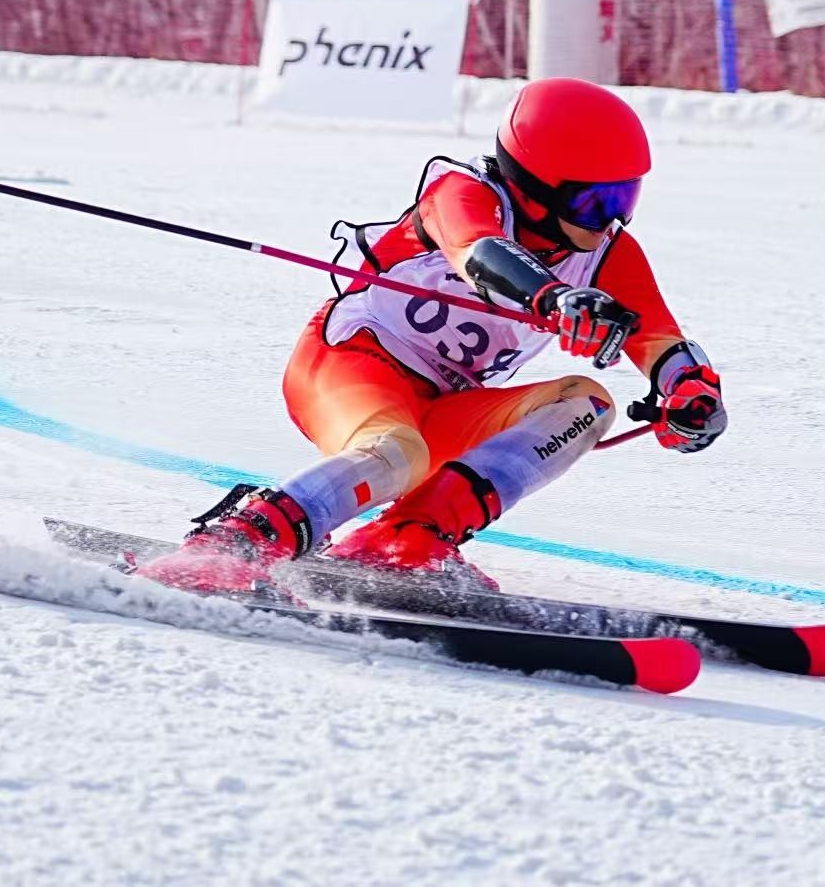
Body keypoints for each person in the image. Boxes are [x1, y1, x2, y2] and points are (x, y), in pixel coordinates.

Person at [138, 77, 728, 594]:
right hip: (352, 363)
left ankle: (407, 538)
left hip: (445, 405)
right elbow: (480, 253)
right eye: (594, 201)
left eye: (625, 198)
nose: (612, 218)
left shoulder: (606, 252)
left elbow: (661, 340)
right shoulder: (462, 194)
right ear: (536, 188)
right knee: (397, 452)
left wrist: (691, 392)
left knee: (586, 403)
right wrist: (553, 296)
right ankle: (235, 543)